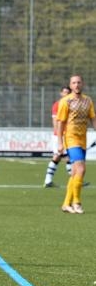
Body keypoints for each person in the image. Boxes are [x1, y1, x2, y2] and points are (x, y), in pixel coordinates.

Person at [57, 74, 96, 214]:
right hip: (71, 138)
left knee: (75, 172)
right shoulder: (65, 101)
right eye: (74, 83)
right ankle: (77, 202)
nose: (76, 85)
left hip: (83, 140)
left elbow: (93, 118)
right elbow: (60, 123)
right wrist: (59, 142)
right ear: (70, 85)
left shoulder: (88, 101)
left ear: (82, 84)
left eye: (79, 82)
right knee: (81, 169)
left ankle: (66, 204)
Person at [44, 86, 72, 187]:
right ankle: (75, 179)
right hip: (59, 136)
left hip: (66, 135)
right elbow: (55, 122)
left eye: (68, 93)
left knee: (59, 157)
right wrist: (60, 134)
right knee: (66, 157)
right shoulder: (58, 105)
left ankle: (48, 181)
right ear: (61, 93)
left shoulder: (70, 105)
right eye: (65, 93)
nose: (66, 95)